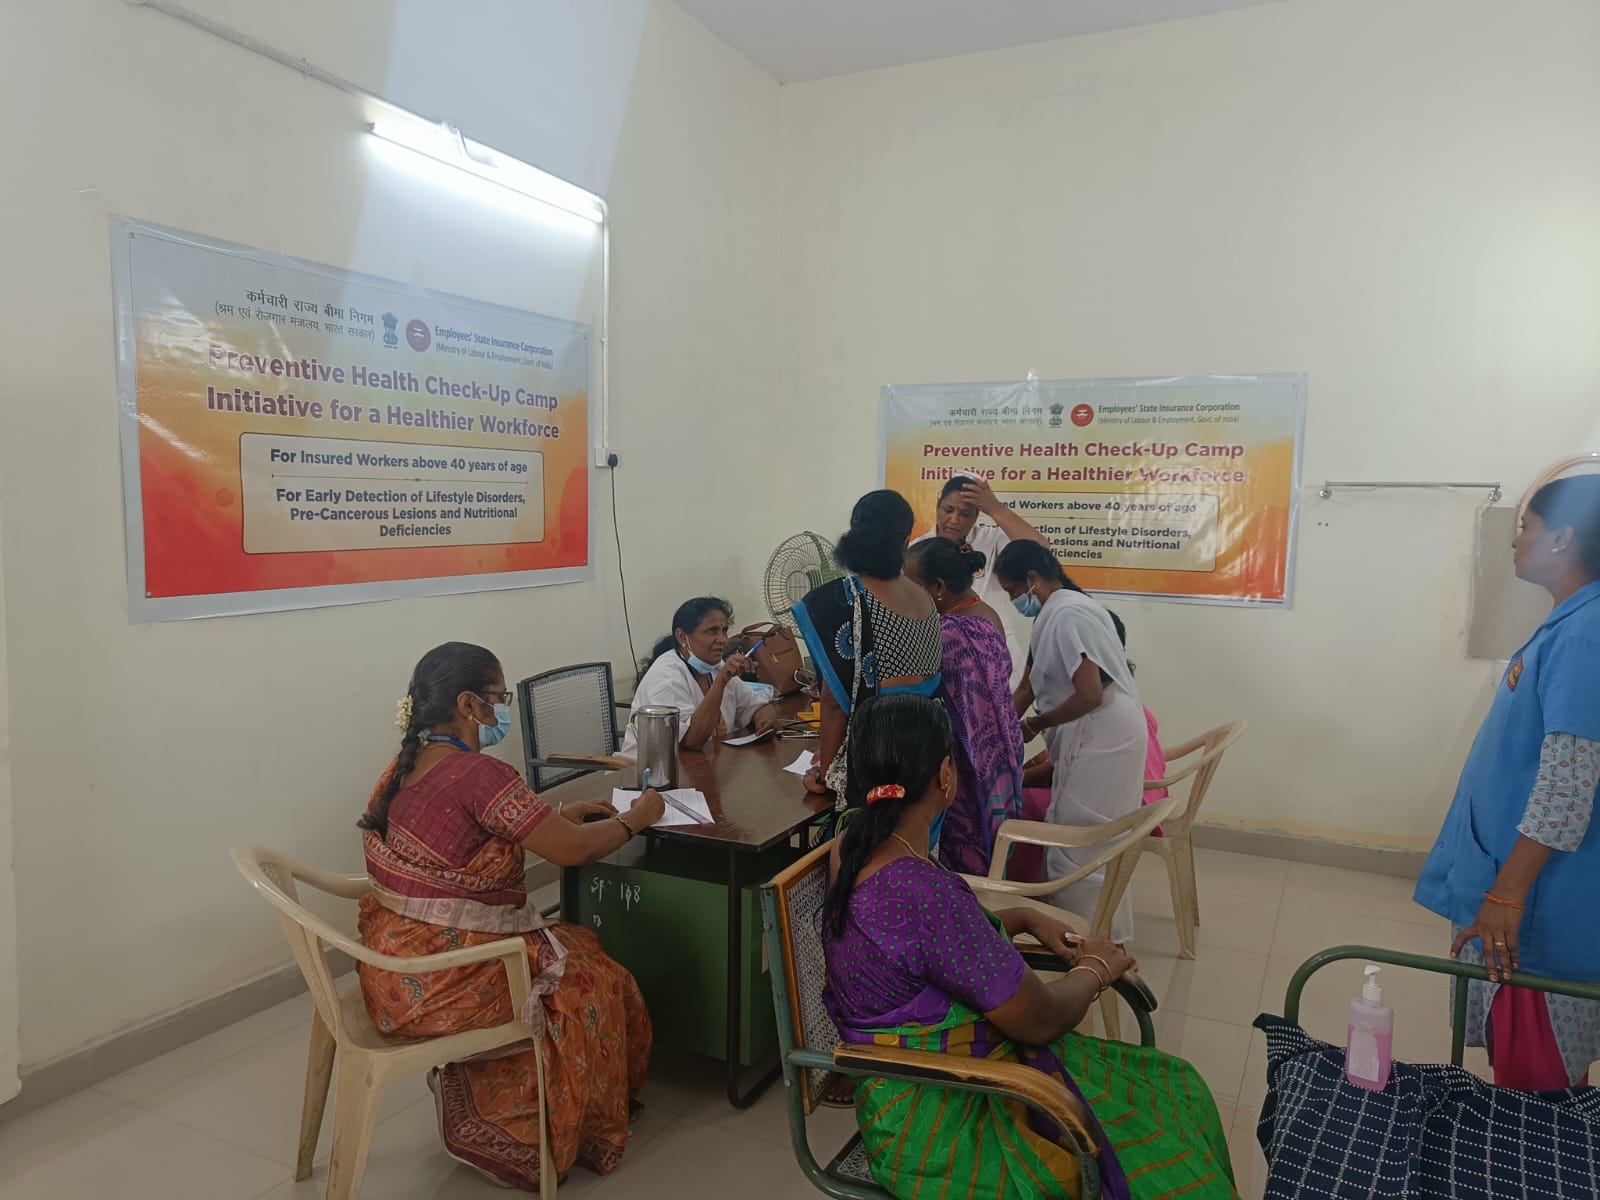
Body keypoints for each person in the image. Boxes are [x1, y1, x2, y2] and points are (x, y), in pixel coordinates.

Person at [822, 694, 1234, 1200]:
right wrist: (1097, 968)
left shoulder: (854, 842)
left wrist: (1023, 917)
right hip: (950, 1124)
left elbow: (918, 947)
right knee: (1178, 1096)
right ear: (945, 775)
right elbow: (1039, 1020)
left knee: (1173, 1087)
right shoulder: (920, 891)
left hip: (898, 1105)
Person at [356, 642, 665, 1190]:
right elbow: (572, 850)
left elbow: (470, 834)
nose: (502, 711)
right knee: (596, 976)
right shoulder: (479, 774)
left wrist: (557, 814)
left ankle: (496, 1101)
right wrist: (636, 819)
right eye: (498, 698)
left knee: (578, 944)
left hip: (390, 966)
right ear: (468, 704)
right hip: (448, 981)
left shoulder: (406, 766)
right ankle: (531, 1128)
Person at [1416, 475, 1600, 1090]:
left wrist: (1507, 895)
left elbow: (1568, 785)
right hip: (1524, 895)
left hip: (1539, 914)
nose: (1516, 540)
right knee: (1531, 1078)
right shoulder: (1571, 624)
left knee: (1535, 1092)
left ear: (1563, 538)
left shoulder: (1585, 634)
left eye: (1526, 526)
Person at [995, 542, 1145, 941]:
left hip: (1104, 733)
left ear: (1032, 578)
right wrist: (997, 729)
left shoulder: (1069, 614)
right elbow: (1026, 687)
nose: (1014, 601)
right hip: (1093, 730)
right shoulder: (1054, 613)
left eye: (1013, 591)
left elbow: (1090, 694)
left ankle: (1092, 945)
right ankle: (1089, 940)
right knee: (1070, 838)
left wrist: (1034, 725)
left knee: (1082, 848)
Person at [793, 489, 941, 807]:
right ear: (905, 541)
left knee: (867, 839)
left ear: (854, 536)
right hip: (929, 760)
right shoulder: (925, 598)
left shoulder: (842, 600)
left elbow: (834, 705)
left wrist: (827, 774)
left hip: (876, 762)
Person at [1013, 611, 1169, 883]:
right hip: (1137, 798)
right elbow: (1064, 753)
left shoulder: (1093, 710)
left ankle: (1023, 889)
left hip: (1111, 812)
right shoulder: (1122, 696)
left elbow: (1067, 766)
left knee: (1016, 807)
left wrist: (1019, 778)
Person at [905, 537, 1024, 873]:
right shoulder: (986, 613)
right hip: (1001, 756)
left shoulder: (949, 633)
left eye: (912, 587)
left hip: (968, 768)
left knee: (966, 865)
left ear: (938, 587)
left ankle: (973, 905)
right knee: (992, 856)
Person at [912, 474, 1050, 686]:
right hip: (941, 655)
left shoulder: (990, 539)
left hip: (994, 655)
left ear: (977, 516)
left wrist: (996, 509)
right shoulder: (916, 551)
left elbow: (1040, 549)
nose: (954, 520)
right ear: (938, 506)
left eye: (965, 514)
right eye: (948, 510)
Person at [623, 597, 780, 755]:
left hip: (705, 762)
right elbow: (693, 741)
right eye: (712, 631)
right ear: (682, 637)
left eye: (724, 631)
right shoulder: (666, 676)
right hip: (647, 767)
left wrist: (765, 722)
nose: (723, 640)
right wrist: (721, 681)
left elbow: (760, 707)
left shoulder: (715, 667)